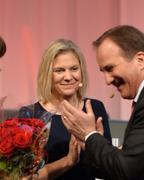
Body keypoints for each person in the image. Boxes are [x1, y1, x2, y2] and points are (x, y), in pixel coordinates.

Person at [61, 25, 144, 180]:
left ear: (140, 59)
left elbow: (126, 170)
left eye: (110, 69)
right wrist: (91, 143)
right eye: (103, 72)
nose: (107, 80)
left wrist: (89, 135)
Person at [18, 38, 112, 180]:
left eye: (74, 69)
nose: (68, 77)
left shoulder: (95, 108)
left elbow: (107, 169)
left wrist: (97, 148)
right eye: (59, 70)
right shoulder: (30, 114)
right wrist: (68, 161)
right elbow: (24, 177)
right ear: (48, 74)